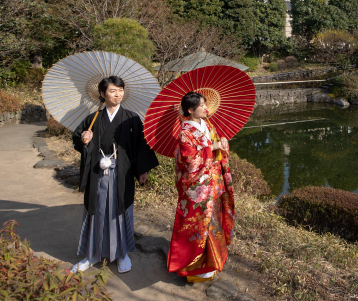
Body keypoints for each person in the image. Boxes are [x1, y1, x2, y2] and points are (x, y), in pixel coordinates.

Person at [70, 76, 159, 274]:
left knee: (120, 210)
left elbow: (139, 146)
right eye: (112, 91)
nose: (118, 94)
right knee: (97, 210)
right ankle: (91, 254)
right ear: (102, 94)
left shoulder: (132, 118)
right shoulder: (93, 118)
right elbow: (77, 139)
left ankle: (121, 253)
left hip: (122, 172)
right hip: (97, 173)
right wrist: (85, 140)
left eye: (120, 90)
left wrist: (142, 170)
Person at [167, 91, 235, 283]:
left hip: (212, 183)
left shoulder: (207, 124)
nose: (206, 108)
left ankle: (211, 261)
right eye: (202, 106)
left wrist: (221, 143)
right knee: (197, 226)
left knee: (212, 223)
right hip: (197, 188)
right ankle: (193, 267)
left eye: (205, 104)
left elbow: (217, 145)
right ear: (190, 110)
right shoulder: (185, 132)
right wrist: (212, 148)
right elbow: (190, 161)